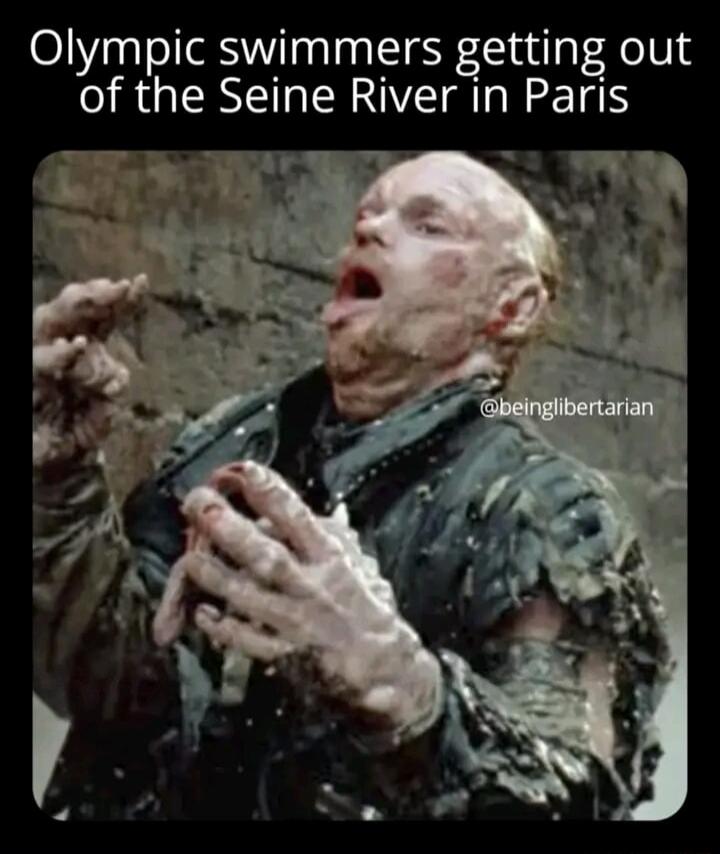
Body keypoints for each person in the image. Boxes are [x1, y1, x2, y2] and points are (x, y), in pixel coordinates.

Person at [32, 151, 672, 821]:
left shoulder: (551, 513)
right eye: (367, 216)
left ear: (510, 306)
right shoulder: (234, 438)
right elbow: (118, 690)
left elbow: (575, 791)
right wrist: (56, 488)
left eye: (429, 224)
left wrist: (400, 688)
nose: (368, 230)